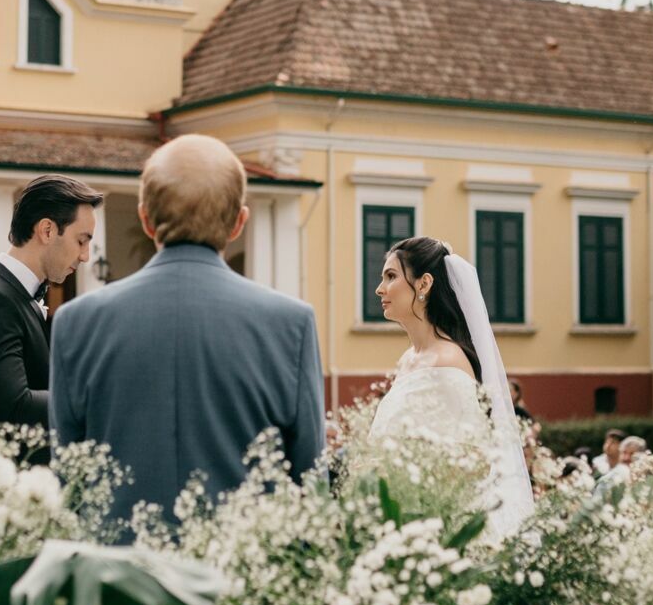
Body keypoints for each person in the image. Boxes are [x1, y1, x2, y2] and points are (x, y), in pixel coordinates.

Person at [50, 136, 324, 526]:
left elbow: (68, 483)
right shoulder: (291, 324)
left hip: (117, 578)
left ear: (145, 219)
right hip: (245, 578)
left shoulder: (76, 322)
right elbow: (310, 484)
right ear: (238, 222)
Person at [359, 234, 535, 538]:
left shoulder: (448, 362)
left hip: (434, 528)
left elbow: (474, 460)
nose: (380, 289)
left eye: (391, 276)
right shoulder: (408, 360)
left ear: (424, 284)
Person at [0, 175, 103, 477]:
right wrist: (94, 395)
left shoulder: (6, 294)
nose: (85, 256)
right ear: (46, 230)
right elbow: (13, 407)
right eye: (81, 240)